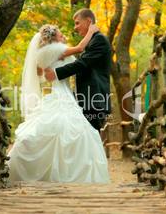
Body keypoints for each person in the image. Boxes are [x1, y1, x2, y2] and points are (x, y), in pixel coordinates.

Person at [7, 23, 110, 183]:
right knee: (70, 129)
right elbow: (80, 48)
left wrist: (50, 69)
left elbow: (41, 73)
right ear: (53, 38)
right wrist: (91, 31)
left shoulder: (44, 53)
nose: (64, 37)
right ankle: (69, 173)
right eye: (61, 34)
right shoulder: (55, 50)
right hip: (62, 94)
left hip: (59, 92)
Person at [44, 8, 112, 132]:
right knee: (86, 140)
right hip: (86, 100)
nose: (75, 27)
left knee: (91, 139)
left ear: (88, 21)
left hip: (95, 101)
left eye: (77, 23)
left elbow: (82, 64)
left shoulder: (99, 40)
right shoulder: (92, 41)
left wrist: (56, 73)